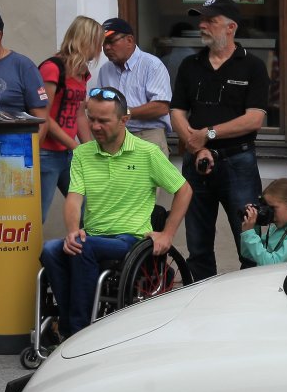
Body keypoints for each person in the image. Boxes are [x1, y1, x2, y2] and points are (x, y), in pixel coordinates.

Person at [39, 88, 191, 338]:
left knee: (83, 248)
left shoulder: (147, 153)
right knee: (51, 249)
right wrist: (73, 231)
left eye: (103, 120)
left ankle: (77, 332)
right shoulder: (82, 153)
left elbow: (184, 190)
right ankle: (68, 324)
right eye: (91, 118)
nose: (95, 126)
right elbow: (74, 199)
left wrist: (167, 234)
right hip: (93, 235)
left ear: (124, 120)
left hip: (130, 239)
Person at [169, 0, 268, 279]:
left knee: (248, 240)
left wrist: (208, 134)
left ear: (231, 27)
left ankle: (249, 298)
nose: (202, 25)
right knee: (197, 244)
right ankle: (202, 298)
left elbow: (254, 118)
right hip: (196, 163)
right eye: (201, 20)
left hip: (238, 162)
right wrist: (196, 145)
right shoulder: (190, 64)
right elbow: (176, 111)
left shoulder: (252, 65)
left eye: (210, 20)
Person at [36, 16, 105, 222]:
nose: (100, 50)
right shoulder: (52, 68)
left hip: (68, 153)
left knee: (88, 210)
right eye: (98, 43)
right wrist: (75, 146)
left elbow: (79, 113)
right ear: (87, 41)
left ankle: (85, 243)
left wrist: (90, 149)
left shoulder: (82, 72)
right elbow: (43, 116)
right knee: (38, 214)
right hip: (46, 152)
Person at [93, 17, 173, 154]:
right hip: (113, 137)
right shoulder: (105, 70)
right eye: (103, 43)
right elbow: (100, 103)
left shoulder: (152, 65)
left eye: (111, 41)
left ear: (129, 40)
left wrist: (124, 112)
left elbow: (161, 107)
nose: (106, 47)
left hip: (147, 135)